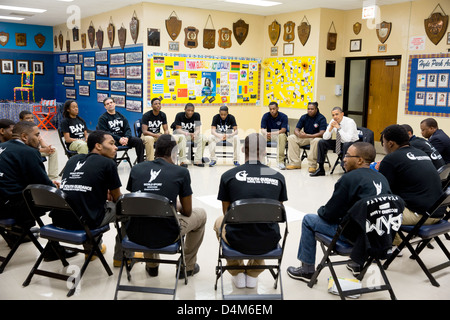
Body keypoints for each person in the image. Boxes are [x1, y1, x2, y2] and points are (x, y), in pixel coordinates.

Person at [287, 142, 392, 282]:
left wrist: (321, 209)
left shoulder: (349, 179)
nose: (344, 159)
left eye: (347, 155)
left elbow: (329, 214)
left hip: (353, 236)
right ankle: (356, 263)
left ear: (360, 160)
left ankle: (307, 271)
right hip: (378, 237)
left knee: (308, 220)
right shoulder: (381, 178)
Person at [126, 134, 207, 278]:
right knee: (201, 215)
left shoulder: (136, 169)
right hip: (167, 234)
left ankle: (152, 266)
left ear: (155, 150)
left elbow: (136, 202)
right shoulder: (181, 172)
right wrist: (175, 205)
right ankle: (187, 267)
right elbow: (187, 212)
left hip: (135, 233)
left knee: (147, 213)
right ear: (175, 152)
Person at [213, 133, 288, 289]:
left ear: (242, 149)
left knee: (219, 221)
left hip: (237, 239)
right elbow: (277, 213)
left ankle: (237, 272)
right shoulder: (277, 176)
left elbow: (227, 213)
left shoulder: (228, 176)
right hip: (268, 240)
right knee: (262, 223)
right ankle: (253, 274)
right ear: (265, 151)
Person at [51, 130, 125, 264]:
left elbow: (78, 188)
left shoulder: (73, 160)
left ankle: (92, 251)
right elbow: (117, 199)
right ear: (98, 146)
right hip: (85, 222)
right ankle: (122, 258)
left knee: (86, 204)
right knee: (129, 210)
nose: (116, 147)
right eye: (112, 143)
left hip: (61, 219)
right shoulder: (108, 164)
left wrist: (100, 193)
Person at [379, 124, 444, 246]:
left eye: (383, 141)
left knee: (372, 209)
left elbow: (382, 191)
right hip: (438, 212)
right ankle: (396, 241)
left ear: (390, 143)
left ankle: (388, 246)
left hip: (421, 216)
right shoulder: (421, 153)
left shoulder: (391, 159)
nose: (383, 145)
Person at [0, 121, 58, 226]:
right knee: (60, 199)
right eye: (37, 135)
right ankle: (55, 237)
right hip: (9, 207)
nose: (39, 139)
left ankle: (21, 231)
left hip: (4, 201)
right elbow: (43, 183)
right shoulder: (28, 152)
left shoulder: (2, 146)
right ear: (24, 136)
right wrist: (55, 187)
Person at [310, 106, 359, 177]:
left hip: (352, 144)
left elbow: (348, 139)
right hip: (340, 142)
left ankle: (345, 168)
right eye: (333, 115)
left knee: (346, 144)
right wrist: (330, 129)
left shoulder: (350, 122)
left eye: (337, 114)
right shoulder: (332, 121)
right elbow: (325, 137)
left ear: (342, 114)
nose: (335, 117)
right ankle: (321, 168)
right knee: (321, 142)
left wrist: (339, 128)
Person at [97, 97, 145, 163]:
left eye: (111, 102)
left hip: (123, 138)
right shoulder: (102, 118)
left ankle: (141, 163)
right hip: (112, 139)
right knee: (112, 146)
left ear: (114, 104)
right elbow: (105, 133)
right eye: (107, 104)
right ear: (105, 107)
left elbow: (127, 129)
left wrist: (126, 138)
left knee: (138, 141)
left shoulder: (121, 116)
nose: (110, 104)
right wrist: (119, 139)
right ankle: (113, 166)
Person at [286, 102, 327, 172]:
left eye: (312, 109)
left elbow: (322, 133)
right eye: (308, 109)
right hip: (306, 137)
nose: (310, 110)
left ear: (316, 109)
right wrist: (299, 134)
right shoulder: (304, 117)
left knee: (316, 141)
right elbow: (296, 129)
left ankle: (312, 165)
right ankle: (295, 163)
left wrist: (308, 135)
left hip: (316, 137)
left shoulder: (321, 118)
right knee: (291, 138)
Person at [20, 110, 59, 180]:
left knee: (54, 150)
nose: (31, 120)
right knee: (32, 152)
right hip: (25, 153)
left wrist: (48, 148)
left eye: (32, 118)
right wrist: (44, 150)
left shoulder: (34, 129)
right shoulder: (19, 131)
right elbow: (25, 148)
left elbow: (41, 141)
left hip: (36, 151)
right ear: (21, 120)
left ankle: (53, 177)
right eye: (28, 118)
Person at [172, 103, 207, 167]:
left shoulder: (197, 115)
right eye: (188, 110)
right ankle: (182, 160)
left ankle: (197, 160)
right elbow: (178, 130)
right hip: (181, 134)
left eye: (192, 111)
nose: (190, 112)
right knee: (182, 137)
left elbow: (198, 129)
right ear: (184, 109)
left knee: (203, 137)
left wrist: (195, 134)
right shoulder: (179, 115)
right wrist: (188, 133)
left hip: (191, 135)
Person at [260, 101, 289, 169]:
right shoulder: (265, 116)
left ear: (277, 108)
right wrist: (266, 133)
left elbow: (283, 130)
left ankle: (280, 162)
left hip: (279, 135)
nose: (272, 111)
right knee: (260, 137)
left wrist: (271, 133)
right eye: (270, 109)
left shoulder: (283, 116)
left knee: (282, 136)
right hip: (269, 135)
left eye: (274, 109)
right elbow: (262, 129)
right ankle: (263, 161)